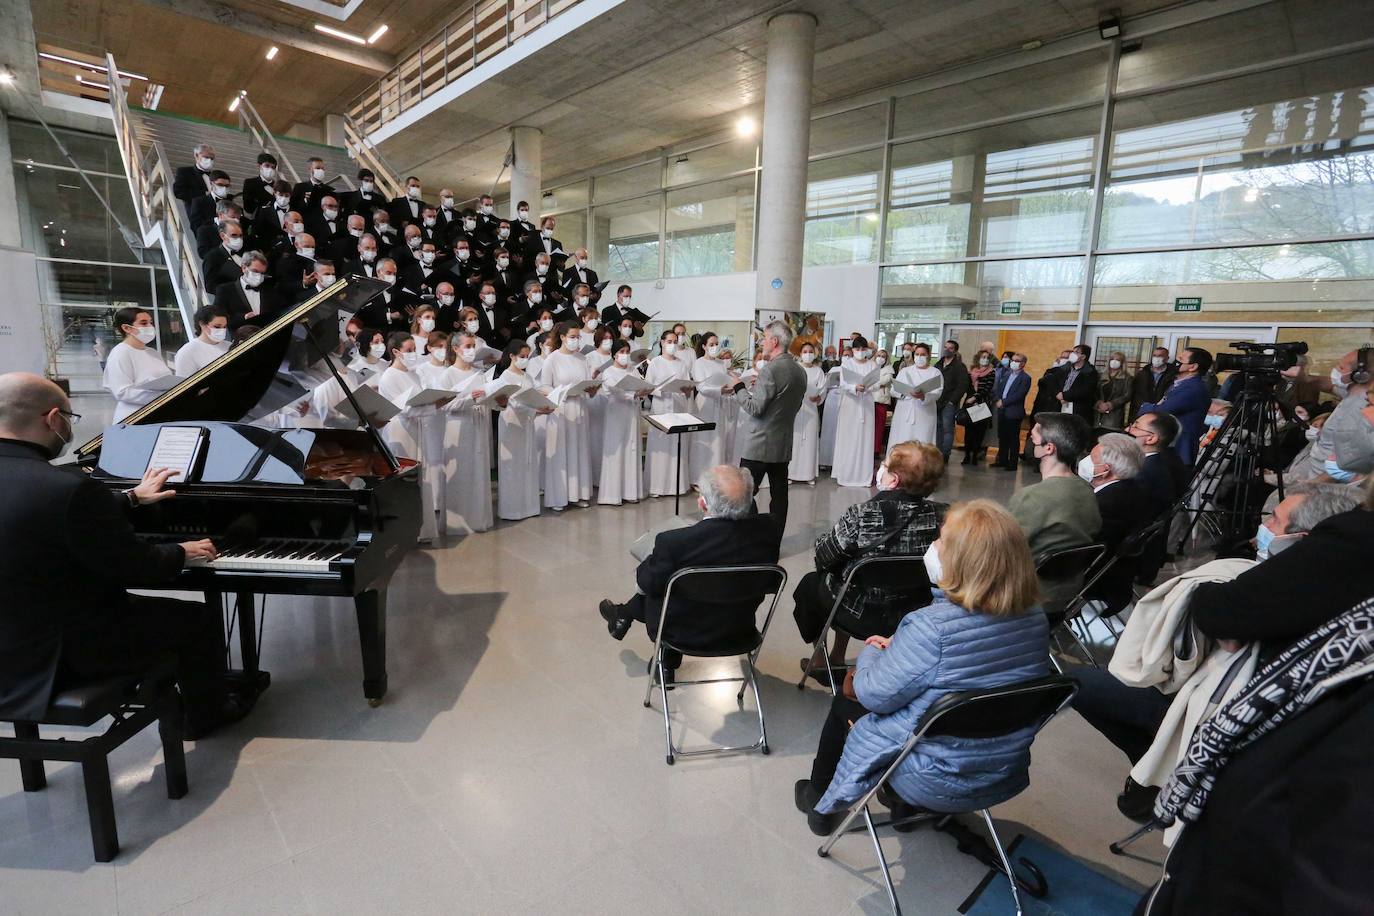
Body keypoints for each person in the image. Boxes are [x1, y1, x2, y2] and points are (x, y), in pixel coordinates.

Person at [1070, 483, 1366, 821]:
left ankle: (1157, 772)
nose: (1263, 526)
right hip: (1252, 720)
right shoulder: (1345, 592)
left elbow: (1216, 615)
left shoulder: (1295, 587)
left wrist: (1219, 617)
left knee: (1079, 683)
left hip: (1220, 717)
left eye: (1274, 521)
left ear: (1303, 540)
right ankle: (1153, 767)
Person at [0, 372, 250, 738]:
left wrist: (131, 497)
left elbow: (33, 513)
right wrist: (179, 551)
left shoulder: (58, 490)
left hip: (10, 639)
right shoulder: (70, 489)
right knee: (196, 619)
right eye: (68, 420)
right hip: (60, 651)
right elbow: (140, 566)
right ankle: (206, 714)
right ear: (53, 418)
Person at [794, 499, 1050, 835]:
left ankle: (819, 800)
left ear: (961, 561)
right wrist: (903, 646)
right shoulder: (1035, 617)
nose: (931, 546)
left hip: (935, 774)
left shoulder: (931, 627)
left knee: (846, 701)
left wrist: (875, 648)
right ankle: (903, 808)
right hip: (1002, 764)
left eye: (941, 541)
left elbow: (872, 695)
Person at [597, 466, 783, 679]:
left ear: (703, 503)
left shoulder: (675, 543)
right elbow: (770, 583)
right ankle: (625, 617)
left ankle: (662, 656)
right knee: (687, 585)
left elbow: (644, 584)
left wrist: (651, 560)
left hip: (681, 634)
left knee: (659, 586)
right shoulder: (768, 533)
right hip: (739, 630)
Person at [793, 442, 943, 679]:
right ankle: (837, 655)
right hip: (913, 614)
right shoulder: (944, 517)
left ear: (893, 480)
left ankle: (820, 660)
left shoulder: (863, 514)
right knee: (851, 577)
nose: (880, 468)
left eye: (883, 465)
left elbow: (823, 556)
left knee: (811, 585)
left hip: (859, 614)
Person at [1009, 413, 1102, 609]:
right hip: (1069, 592)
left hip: (1025, 594)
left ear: (1049, 448)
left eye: (1033, 438)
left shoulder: (1032, 496)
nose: (1030, 441)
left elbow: (1001, 552)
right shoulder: (1088, 491)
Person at [376, 332, 437, 543]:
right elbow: (404, 410)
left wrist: (434, 401)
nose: (413, 354)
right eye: (409, 350)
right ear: (395, 352)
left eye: (414, 350)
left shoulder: (414, 374)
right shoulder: (389, 376)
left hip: (418, 429)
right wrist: (433, 405)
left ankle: (423, 530)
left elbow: (419, 402)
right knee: (406, 482)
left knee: (421, 480)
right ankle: (406, 533)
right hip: (400, 431)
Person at [437, 333, 494, 535]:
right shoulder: (448, 375)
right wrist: (469, 398)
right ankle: (457, 523)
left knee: (478, 471)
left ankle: (479, 519)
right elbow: (444, 405)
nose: (471, 350)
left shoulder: (480, 373)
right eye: (467, 346)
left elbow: (488, 398)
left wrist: (498, 401)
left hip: (478, 424)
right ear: (455, 349)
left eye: (473, 346)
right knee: (460, 473)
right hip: (458, 427)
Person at [542, 322, 599, 511]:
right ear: (563, 337)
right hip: (561, 409)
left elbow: (585, 383)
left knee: (579, 450)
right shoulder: (552, 359)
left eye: (578, 337)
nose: (576, 340)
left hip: (580, 409)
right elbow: (544, 387)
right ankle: (559, 496)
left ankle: (578, 494)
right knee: (561, 452)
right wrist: (563, 392)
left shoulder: (582, 359)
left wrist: (591, 390)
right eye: (572, 337)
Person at [493, 341, 549, 521]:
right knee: (512, 464)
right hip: (511, 423)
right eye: (522, 357)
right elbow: (514, 403)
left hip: (527, 423)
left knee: (528, 461)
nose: (525, 360)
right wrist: (537, 409)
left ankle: (529, 506)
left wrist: (541, 407)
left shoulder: (528, 378)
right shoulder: (505, 378)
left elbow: (531, 399)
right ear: (511, 356)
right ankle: (511, 509)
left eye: (527, 357)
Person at [598, 338, 654, 505]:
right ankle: (612, 495)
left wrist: (643, 391)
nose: (624, 355)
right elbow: (615, 392)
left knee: (631, 448)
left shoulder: (632, 370)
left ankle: (630, 492)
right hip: (616, 414)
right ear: (614, 354)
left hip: (632, 413)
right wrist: (633, 394)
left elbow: (640, 387)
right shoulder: (608, 372)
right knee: (617, 450)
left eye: (627, 352)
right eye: (621, 352)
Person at [1140, 346, 1213, 464]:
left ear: (1193, 367)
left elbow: (1163, 410)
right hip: (1169, 448)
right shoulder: (1179, 383)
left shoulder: (1193, 389)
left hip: (1179, 451)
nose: (1176, 361)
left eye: (1181, 359)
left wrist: (1144, 407)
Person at [645, 329, 695, 498]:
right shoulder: (655, 363)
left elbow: (686, 384)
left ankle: (676, 486)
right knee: (660, 448)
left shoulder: (681, 363)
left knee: (675, 446)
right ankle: (657, 487)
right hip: (660, 408)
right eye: (670, 341)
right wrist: (661, 390)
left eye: (675, 341)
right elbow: (648, 387)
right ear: (662, 342)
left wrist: (687, 390)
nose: (673, 344)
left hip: (677, 407)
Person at [103, 307, 173, 422]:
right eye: (144, 323)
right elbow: (122, 392)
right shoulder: (120, 353)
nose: (150, 327)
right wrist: (161, 396)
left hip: (158, 413)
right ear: (126, 328)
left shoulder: (152, 352)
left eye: (151, 323)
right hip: (134, 417)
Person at [689, 331, 739, 479]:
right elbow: (701, 388)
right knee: (703, 442)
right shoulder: (698, 363)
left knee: (718, 441)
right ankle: (698, 478)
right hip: (705, 406)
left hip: (720, 405)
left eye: (717, 344)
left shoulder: (721, 363)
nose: (715, 347)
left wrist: (730, 389)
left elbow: (725, 382)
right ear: (704, 346)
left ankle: (716, 478)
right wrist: (720, 390)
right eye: (711, 344)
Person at [832, 337, 878, 487]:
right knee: (849, 437)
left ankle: (863, 475)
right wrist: (854, 388)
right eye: (857, 349)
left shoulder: (872, 365)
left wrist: (867, 387)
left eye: (863, 349)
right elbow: (843, 384)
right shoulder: (847, 364)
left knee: (865, 438)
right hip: (850, 405)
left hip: (866, 405)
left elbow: (876, 384)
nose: (860, 352)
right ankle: (846, 473)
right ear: (852, 351)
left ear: (867, 350)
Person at [887, 342, 942, 452]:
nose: (919, 357)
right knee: (902, 439)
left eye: (923, 354)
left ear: (928, 355)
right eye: (917, 354)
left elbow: (937, 392)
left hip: (924, 413)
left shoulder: (935, 372)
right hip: (904, 410)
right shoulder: (905, 371)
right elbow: (894, 390)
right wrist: (905, 393)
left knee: (922, 442)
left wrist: (923, 396)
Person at [788, 342, 826, 485]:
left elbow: (823, 389)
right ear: (800, 353)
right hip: (795, 409)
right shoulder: (795, 369)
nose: (808, 354)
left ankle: (808, 474)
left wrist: (819, 397)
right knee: (795, 440)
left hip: (811, 408)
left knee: (810, 440)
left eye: (810, 351)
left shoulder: (818, 371)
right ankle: (791, 473)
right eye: (805, 351)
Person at [992, 352, 1030, 470]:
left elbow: (1019, 394)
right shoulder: (1007, 374)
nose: (1013, 362)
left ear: (1023, 364)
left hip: (1013, 412)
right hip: (1001, 410)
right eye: (1013, 360)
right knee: (1002, 436)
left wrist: (1004, 402)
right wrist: (998, 399)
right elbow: (999, 388)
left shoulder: (1025, 378)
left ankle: (1012, 463)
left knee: (1013, 438)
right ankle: (1002, 460)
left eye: (1017, 360)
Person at [935, 339, 970, 463]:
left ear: (955, 351)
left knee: (947, 428)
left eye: (950, 348)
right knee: (938, 427)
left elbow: (962, 385)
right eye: (945, 347)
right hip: (937, 400)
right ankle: (937, 452)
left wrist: (952, 401)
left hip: (949, 402)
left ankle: (945, 454)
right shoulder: (938, 365)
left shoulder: (959, 366)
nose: (947, 350)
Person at [959, 348, 996, 466]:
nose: (984, 360)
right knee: (968, 432)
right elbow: (967, 386)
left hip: (982, 404)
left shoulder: (991, 372)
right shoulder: (972, 371)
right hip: (969, 403)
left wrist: (975, 398)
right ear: (978, 358)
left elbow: (987, 389)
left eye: (987, 358)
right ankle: (966, 456)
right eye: (982, 357)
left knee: (979, 433)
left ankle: (975, 456)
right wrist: (971, 398)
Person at [174, 305, 230, 377]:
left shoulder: (230, 346)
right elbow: (184, 383)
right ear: (202, 324)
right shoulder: (187, 352)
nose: (222, 330)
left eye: (224, 327)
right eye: (217, 327)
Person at [1130, 346, 1176, 422]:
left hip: (1161, 414)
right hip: (1142, 412)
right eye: (1154, 355)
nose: (1156, 358)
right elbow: (1136, 395)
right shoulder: (1142, 373)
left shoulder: (1173, 374)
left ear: (1167, 358)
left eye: (1160, 356)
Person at [1056, 343, 1099, 421]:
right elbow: (1056, 383)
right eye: (1073, 351)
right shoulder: (1066, 368)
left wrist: (1065, 396)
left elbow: (1085, 391)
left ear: (1083, 356)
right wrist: (1059, 394)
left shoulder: (1090, 372)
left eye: (1076, 352)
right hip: (1061, 405)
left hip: (1078, 409)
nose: (1072, 354)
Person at [1095, 351, 1133, 431]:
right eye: (1112, 359)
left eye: (1118, 360)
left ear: (1122, 363)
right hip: (1097, 414)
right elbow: (1094, 392)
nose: (1114, 361)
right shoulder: (1100, 375)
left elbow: (1127, 395)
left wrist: (1110, 405)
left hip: (1114, 417)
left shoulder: (1127, 378)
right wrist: (1099, 403)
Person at [873, 348, 894, 456]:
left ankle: (876, 449)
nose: (880, 358)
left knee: (879, 426)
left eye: (883, 356)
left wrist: (872, 383)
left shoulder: (889, 369)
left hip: (881, 400)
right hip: (870, 400)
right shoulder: (871, 367)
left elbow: (884, 381)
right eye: (878, 356)